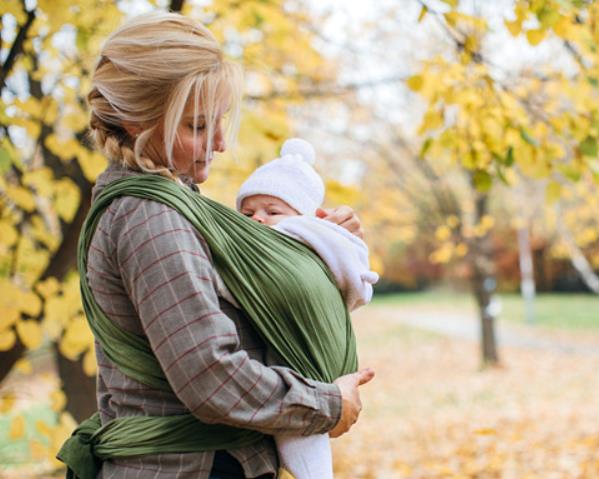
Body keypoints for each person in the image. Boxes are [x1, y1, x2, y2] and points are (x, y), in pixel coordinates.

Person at [56, 11, 374, 479]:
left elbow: (251, 310)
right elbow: (210, 375)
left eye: (219, 122)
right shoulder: (151, 218)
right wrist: (325, 404)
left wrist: (320, 249)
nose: (221, 143)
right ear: (134, 120)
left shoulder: (171, 206)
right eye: (199, 127)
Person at [236, 137, 379, 479]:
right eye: (247, 212)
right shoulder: (244, 250)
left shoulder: (302, 240)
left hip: (303, 358)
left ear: (303, 217)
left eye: (272, 211)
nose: (258, 219)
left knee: (304, 447)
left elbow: (345, 279)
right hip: (278, 365)